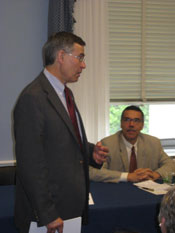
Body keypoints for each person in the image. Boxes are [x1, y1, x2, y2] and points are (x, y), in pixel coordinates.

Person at [13, 31, 108, 233]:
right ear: (61, 56)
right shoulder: (33, 98)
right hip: (48, 215)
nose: (83, 65)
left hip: (68, 206)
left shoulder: (65, 93)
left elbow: (62, 140)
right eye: (80, 57)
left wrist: (90, 152)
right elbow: (30, 163)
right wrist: (47, 213)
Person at [89, 105, 175, 183]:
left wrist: (155, 174)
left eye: (136, 121)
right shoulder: (107, 143)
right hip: (118, 192)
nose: (131, 124)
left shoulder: (153, 143)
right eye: (127, 120)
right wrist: (128, 176)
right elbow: (94, 172)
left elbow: (170, 164)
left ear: (142, 125)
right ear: (121, 123)